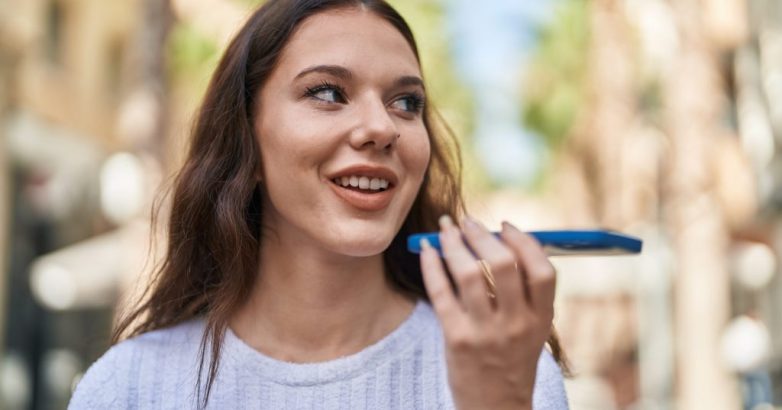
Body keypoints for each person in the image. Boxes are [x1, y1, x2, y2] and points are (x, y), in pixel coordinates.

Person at [69, 0, 569, 409]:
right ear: (245, 137)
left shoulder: (513, 376)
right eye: (328, 92)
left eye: (406, 102)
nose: (381, 127)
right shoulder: (127, 389)